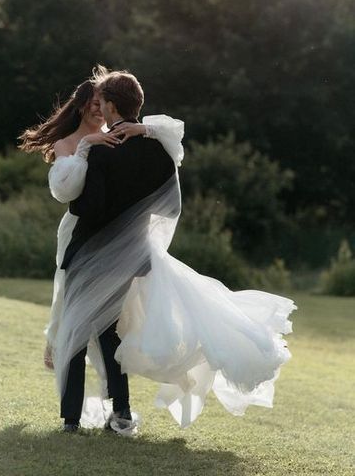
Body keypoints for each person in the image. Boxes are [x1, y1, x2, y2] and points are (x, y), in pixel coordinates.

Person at [20, 65, 297, 435]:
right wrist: (134, 219)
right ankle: (120, 413)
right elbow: (169, 207)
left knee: (74, 327)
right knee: (108, 332)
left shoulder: (100, 152)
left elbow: (88, 208)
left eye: (102, 101)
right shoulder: (159, 151)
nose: (98, 108)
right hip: (132, 255)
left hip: (88, 251)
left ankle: (71, 419)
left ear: (113, 107)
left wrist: (92, 172)